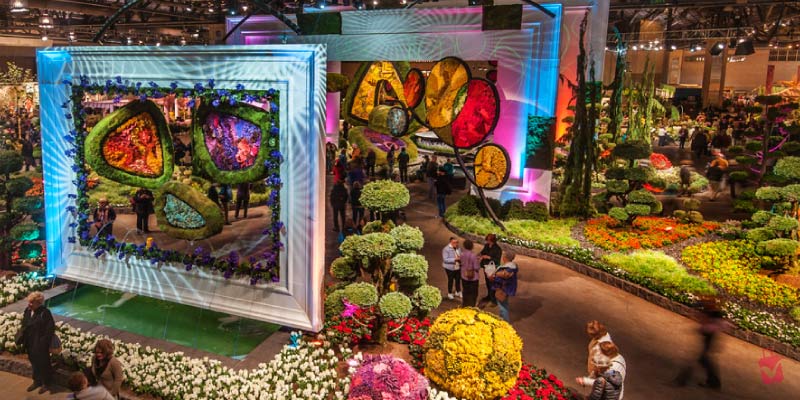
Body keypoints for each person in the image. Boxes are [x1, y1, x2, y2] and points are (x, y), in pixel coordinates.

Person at [674, 298, 726, 390]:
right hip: (707, 338)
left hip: (709, 338)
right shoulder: (712, 312)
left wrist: (703, 328)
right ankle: (713, 382)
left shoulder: (716, 314)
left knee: (699, 359)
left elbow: (714, 326)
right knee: (703, 360)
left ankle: (682, 379)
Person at [19, 291, 55, 394]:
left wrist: (42, 343)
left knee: (44, 364)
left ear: (38, 303)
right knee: (34, 363)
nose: (29, 304)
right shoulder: (28, 310)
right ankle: (36, 381)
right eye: (29, 302)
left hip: (40, 344)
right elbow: (24, 324)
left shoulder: (45, 312)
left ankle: (46, 383)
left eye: (31, 302)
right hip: (29, 342)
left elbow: (50, 329)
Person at [492, 250, 519, 322]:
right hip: (506, 289)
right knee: (504, 304)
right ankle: (502, 319)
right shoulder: (513, 266)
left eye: (503, 256)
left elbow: (504, 276)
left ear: (505, 257)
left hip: (503, 289)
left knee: (502, 306)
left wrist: (494, 275)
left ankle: (505, 322)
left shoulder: (507, 268)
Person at [478, 234, 502, 307]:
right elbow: (482, 252)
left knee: (492, 284)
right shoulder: (487, 246)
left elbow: (497, 260)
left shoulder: (497, 249)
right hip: (486, 267)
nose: (487, 241)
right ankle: (489, 296)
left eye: (488, 240)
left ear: (492, 241)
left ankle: (494, 300)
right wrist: (480, 255)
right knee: (488, 283)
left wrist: (489, 257)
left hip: (492, 268)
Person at [459, 239, 480, 307]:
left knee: (465, 291)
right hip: (473, 278)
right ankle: (472, 306)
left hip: (464, 276)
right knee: (473, 293)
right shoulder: (473, 256)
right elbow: (476, 267)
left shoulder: (461, 254)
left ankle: (465, 305)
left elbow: (461, 263)